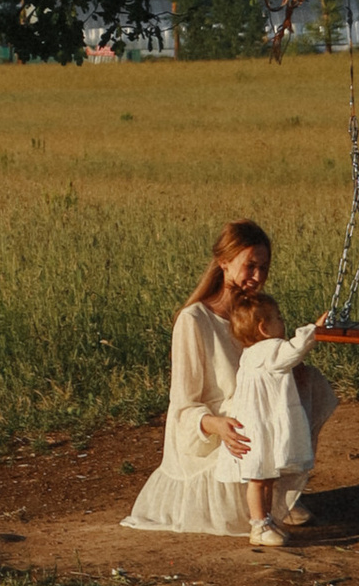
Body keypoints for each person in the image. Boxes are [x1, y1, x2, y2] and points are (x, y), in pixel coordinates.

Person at [119, 219, 337, 543]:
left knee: (308, 381)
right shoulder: (194, 320)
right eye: (250, 266)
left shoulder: (255, 312)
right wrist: (216, 425)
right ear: (224, 263)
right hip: (219, 427)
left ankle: (281, 494)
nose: (258, 277)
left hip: (253, 415)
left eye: (264, 268)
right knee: (256, 414)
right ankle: (261, 514)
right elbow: (182, 404)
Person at [226, 307, 330, 549]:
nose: (283, 323)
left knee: (265, 477)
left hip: (257, 425)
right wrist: (315, 328)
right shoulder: (270, 350)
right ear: (263, 328)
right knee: (259, 479)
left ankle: (266, 520)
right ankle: (259, 524)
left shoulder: (250, 353)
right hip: (260, 428)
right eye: (279, 318)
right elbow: (295, 349)